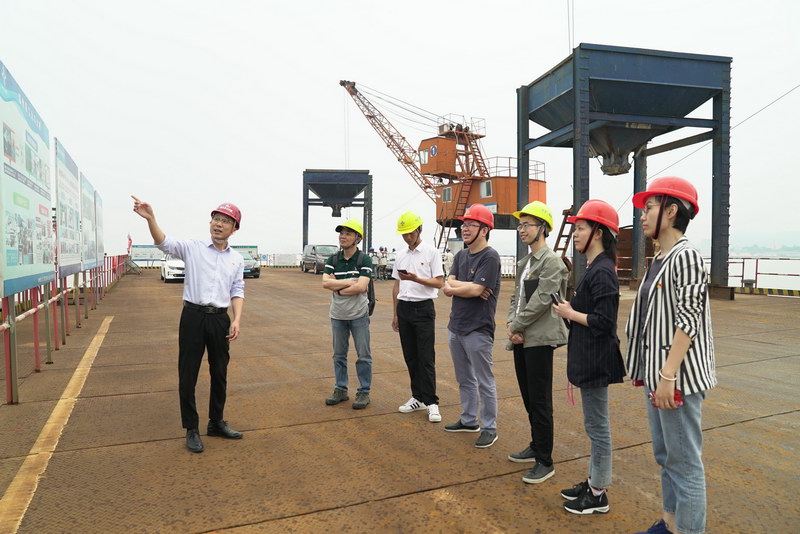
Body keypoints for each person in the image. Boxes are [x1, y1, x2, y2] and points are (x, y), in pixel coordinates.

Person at [625, 177, 716, 534]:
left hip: (676, 379)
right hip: (657, 375)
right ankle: (671, 523)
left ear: (671, 210)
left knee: (685, 463)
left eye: (649, 207)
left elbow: (689, 319)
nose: (642, 215)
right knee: (666, 456)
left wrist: (667, 377)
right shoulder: (660, 258)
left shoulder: (686, 256)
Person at [132, 196, 245, 453]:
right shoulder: (193, 248)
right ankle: (191, 428)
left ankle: (216, 422)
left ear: (234, 229)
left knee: (220, 372)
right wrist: (151, 219)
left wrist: (237, 319)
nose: (219, 224)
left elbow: (237, 290)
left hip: (220, 318)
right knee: (188, 373)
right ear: (210, 222)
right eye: (216, 219)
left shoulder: (236, 259)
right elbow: (164, 243)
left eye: (226, 221)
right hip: (193, 317)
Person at [553, 199, 626, 514]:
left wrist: (570, 313)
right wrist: (570, 311)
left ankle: (598, 494)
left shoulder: (603, 272)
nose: (576, 234)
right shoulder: (594, 268)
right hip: (589, 358)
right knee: (594, 425)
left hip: (597, 360)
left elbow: (605, 322)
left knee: (598, 427)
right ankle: (594, 481)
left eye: (581, 228)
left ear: (598, 232)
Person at [505, 201, 569, 484]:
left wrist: (517, 325)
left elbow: (543, 300)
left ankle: (545, 460)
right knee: (528, 396)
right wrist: (511, 323)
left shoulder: (551, 262)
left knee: (541, 400)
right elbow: (516, 299)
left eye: (527, 225)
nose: (522, 230)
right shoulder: (526, 263)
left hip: (540, 339)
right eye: (520, 225)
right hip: (521, 336)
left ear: (542, 228)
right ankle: (535, 444)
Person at [442, 204, 502, 448]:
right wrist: (468, 287)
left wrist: (464, 287)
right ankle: (468, 420)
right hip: (456, 326)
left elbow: (476, 290)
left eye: (470, 225)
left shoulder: (490, 257)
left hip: (478, 329)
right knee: (464, 378)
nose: (464, 229)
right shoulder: (460, 256)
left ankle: (489, 427)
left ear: (484, 230)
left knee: (484, 381)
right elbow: (448, 284)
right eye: (463, 225)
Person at [392, 212, 445, 423]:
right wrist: (395, 313)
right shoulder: (400, 255)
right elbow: (396, 285)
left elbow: (439, 282)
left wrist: (417, 279)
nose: (408, 237)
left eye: (411, 233)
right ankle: (418, 397)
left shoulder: (432, 252)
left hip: (423, 308)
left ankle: (431, 401)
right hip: (404, 308)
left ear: (419, 229)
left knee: (426, 357)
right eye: (404, 234)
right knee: (411, 356)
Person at [322, 218, 374, 410]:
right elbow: (325, 283)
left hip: (359, 314)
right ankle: (341, 389)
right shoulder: (333, 259)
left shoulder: (364, 259)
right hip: (337, 315)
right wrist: (350, 282)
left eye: (348, 234)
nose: (343, 237)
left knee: (363, 355)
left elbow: (362, 286)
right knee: (338, 355)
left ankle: (364, 392)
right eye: (341, 233)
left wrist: (338, 288)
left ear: (357, 238)